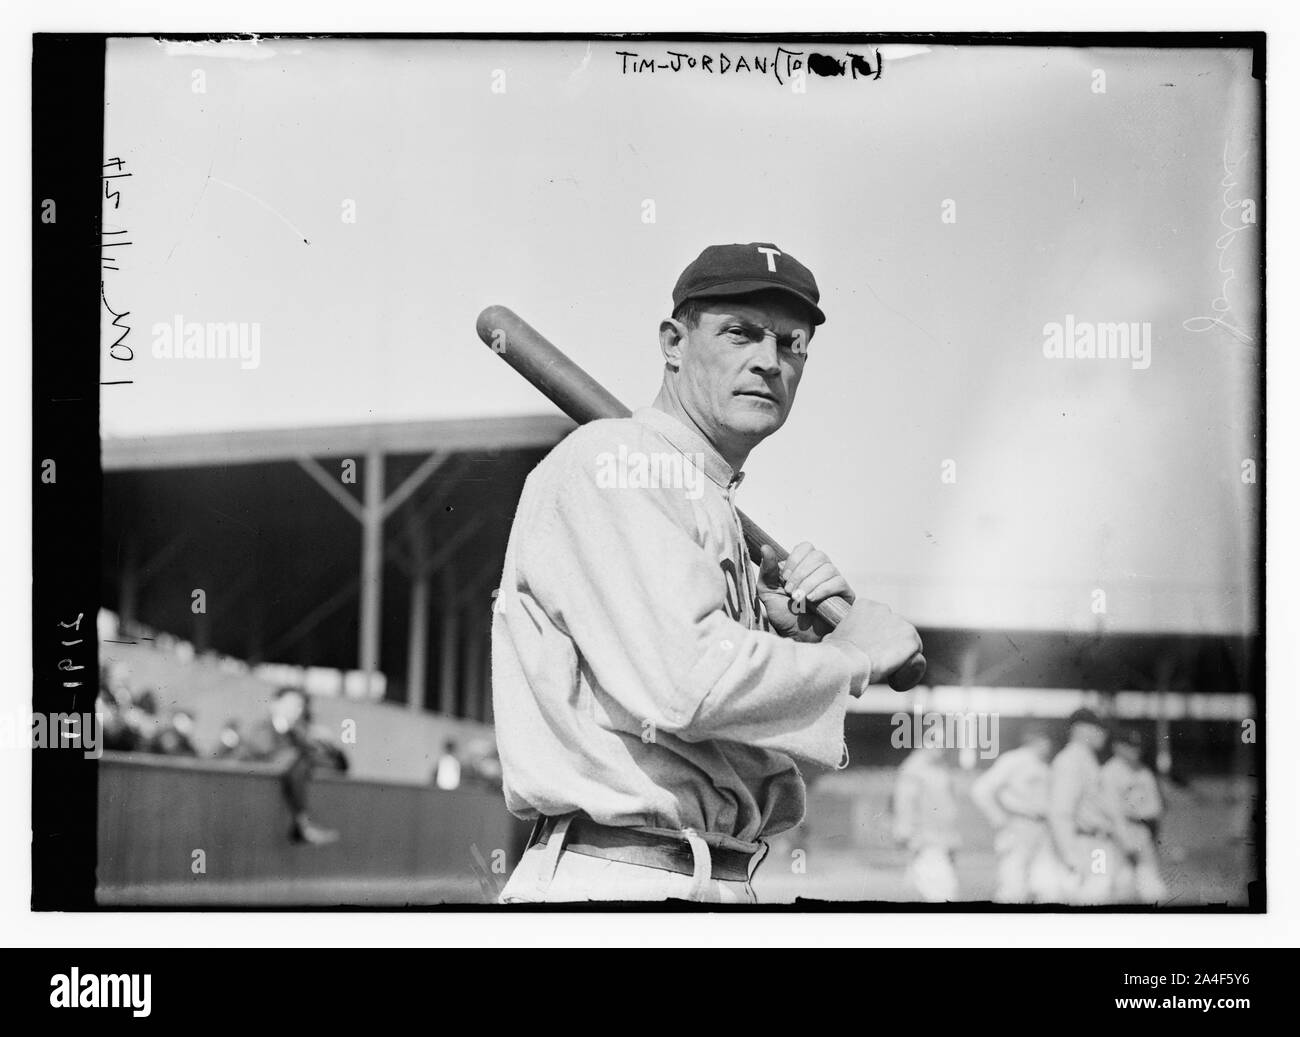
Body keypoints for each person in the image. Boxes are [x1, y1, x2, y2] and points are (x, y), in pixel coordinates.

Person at [492, 242, 925, 903]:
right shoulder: (616, 461)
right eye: (741, 332)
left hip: (708, 878)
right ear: (674, 342)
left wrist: (786, 642)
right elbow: (687, 682)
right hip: (619, 880)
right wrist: (851, 656)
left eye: (791, 343)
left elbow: (699, 709)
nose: (769, 361)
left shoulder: (699, 492)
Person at [240, 686, 346, 846]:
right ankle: (303, 824)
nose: (296, 710)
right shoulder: (261, 729)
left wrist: (332, 747)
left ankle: (303, 824)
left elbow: (335, 765)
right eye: (290, 703)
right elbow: (266, 755)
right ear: (274, 704)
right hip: (253, 800)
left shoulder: (299, 734)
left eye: (299, 706)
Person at [1042, 708, 1125, 905]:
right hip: (1084, 844)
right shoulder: (1071, 760)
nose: (1104, 735)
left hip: (1096, 844)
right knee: (1092, 899)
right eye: (1099, 729)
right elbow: (1060, 811)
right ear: (1081, 729)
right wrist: (1069, 855)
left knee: (1101, 894)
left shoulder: (1085, 758)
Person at [970, 723, 1053, 903]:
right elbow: (981, 789)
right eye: (1046, 740)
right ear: (1036, 739)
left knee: (1043, 888)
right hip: (1017, 825)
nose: (1049, 745)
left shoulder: (1043, 765)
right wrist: (998, 818)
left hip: (1040, 829)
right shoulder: (1014, 759)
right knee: (1013, 889)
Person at [1100, 726, 1169, 903]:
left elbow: (1156, 807)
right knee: (1121, 886)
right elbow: (1111, 811)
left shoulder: (1143, 771)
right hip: (1116, 833)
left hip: (1142, 830)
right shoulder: (1110, 772)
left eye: (1138, 746)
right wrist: (1125, 838)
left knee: (1152, 887)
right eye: (1129, 745)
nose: (1135, 750)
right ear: (1117, 746)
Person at [891, 746, 960, 902]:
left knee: (935, 888)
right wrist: (905, 832)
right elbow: (905, 804)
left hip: (942, 837)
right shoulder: (914, 768)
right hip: (925, 838)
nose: (941, 749)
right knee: (942, 891)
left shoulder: (938, 765)